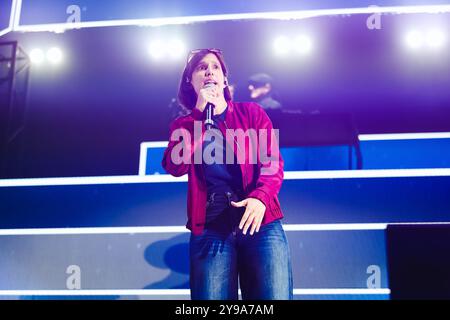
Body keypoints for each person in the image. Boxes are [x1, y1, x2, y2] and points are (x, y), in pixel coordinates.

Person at [162, 48, 292, 300]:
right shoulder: (183, 126)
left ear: (224, 79)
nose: (209, 70)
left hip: (259, 221)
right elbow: (175, 166)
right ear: (191, 81)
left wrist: (260, 197)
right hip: (211, 225)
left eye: (215, 67)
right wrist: (199, 116)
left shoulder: (252, 113)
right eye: (201, 67)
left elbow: (272, 163)